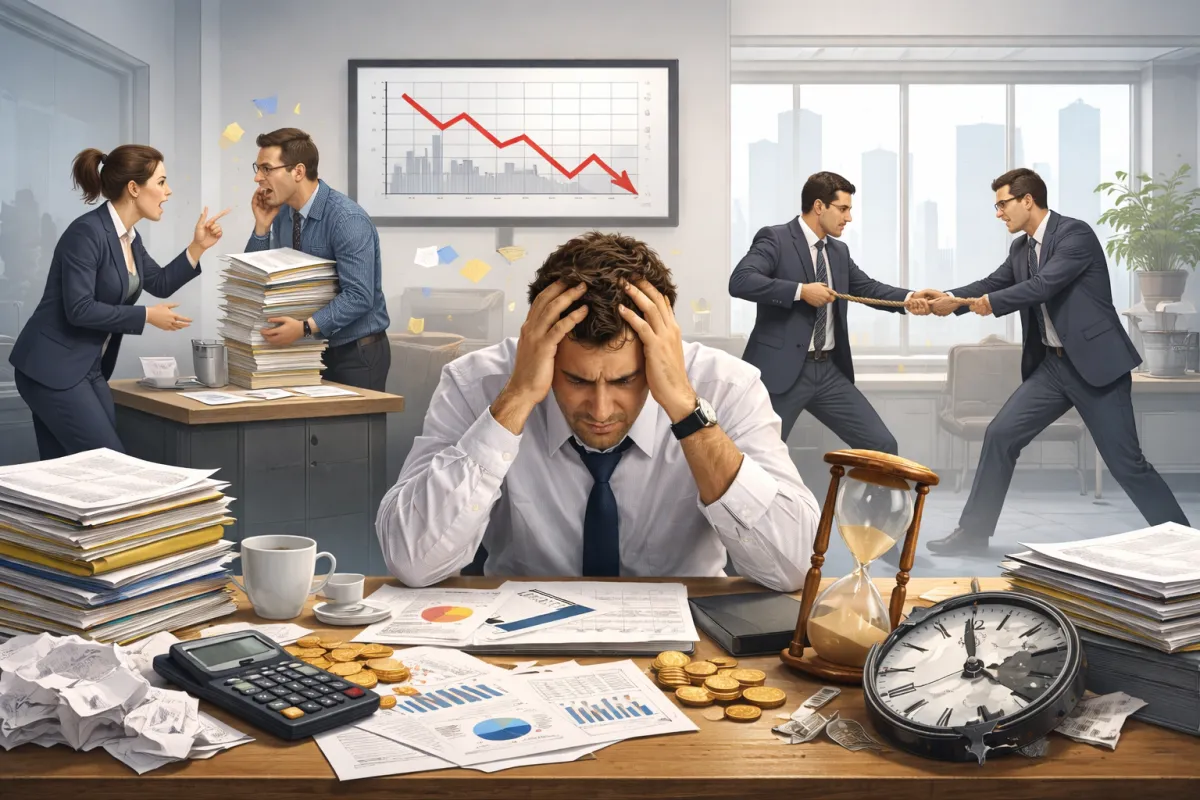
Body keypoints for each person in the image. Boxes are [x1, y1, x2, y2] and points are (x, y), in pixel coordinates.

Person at [376, 232, 820, 591]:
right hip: (522, 634)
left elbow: (794, 566)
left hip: (693, 639)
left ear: (658, 354)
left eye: (625, 380)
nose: (602, 409)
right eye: (577, 380)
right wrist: (515, 399)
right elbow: (413, 559)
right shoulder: (476, 383)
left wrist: (687, 411)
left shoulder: (727, 386)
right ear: (542, 351)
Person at [922, 168, 1190, 556]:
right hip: (1052, 367)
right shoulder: (1020, 249)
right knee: (1001, 434)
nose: (998, 213)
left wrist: (988, 305)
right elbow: (992, 284)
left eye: (1002, 204)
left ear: (1027, 199)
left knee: (1126, 463)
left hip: (1097, 367)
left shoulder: (1074, 235)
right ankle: (973, 533)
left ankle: (1182, 541)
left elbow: (1042, 286)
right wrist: (945, 299)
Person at [8, 145, 226, 460]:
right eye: (162, 182)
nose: (169, 191)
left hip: (87, 367)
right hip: (51, 367)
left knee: (68, 472)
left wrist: (198, 246)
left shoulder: (129, 238)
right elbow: (79, 309)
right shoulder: (87, 233)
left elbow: (160, 283)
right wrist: (147, 316)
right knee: (109, 463)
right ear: (134, 188)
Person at [729, 171, 930, 450]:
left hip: (827, 372)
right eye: (843, 209)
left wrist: (911, 297)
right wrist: (801, 291)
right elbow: (741, 281)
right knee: (757, 456)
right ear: (819, 206)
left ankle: (867, 496)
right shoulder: (775, 239)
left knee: (883, 446)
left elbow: (868, 289)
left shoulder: (838, 251)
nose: (848, 218)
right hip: (782, 373)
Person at [244, 128, 391, 390]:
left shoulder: (347, 220)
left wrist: (305, 328)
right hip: (309, 349)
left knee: (350, 433)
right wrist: (261, 228)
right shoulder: (283, 215)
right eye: (258, 168)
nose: (258, 178)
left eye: (267, 169)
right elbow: (257, 281)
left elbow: (359, 295)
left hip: (355, 354)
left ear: (298, 172)